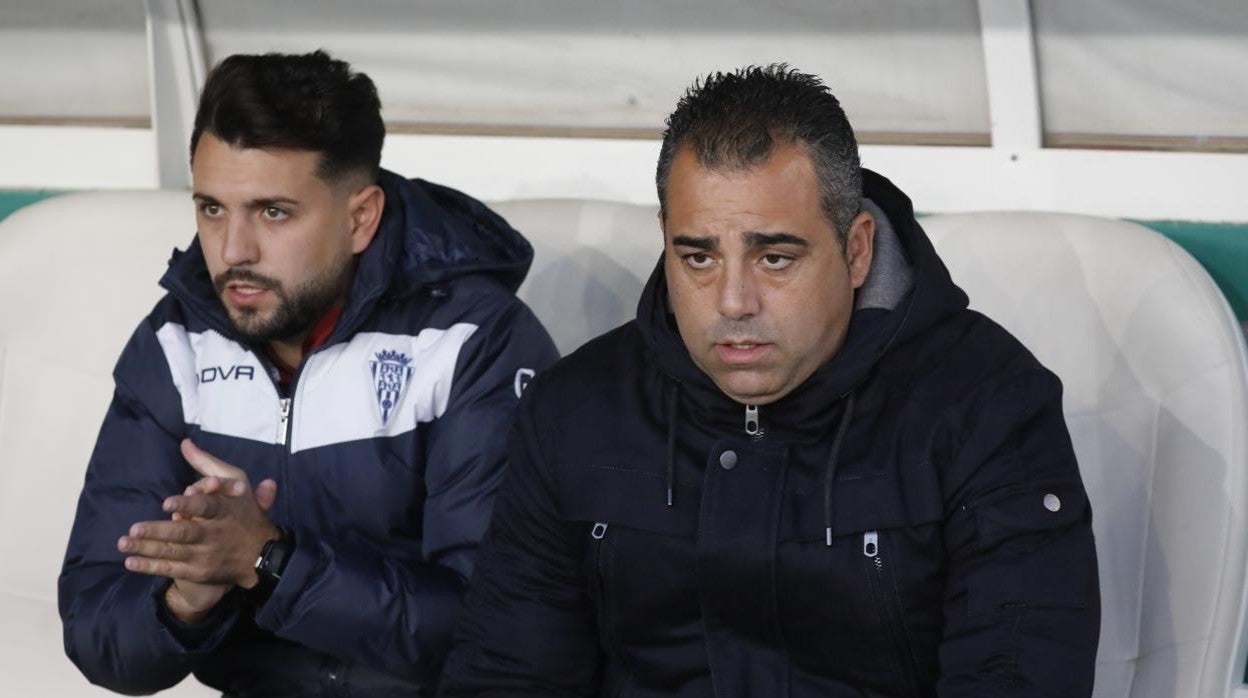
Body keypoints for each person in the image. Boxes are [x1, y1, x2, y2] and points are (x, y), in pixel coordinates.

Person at [439, 65, 1100, 696]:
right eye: (698, 257)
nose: (732, 302)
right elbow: (509, 674)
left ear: (857, 249)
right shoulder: (576, 411)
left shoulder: (987, 407)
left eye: (775, 258)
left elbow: (1017, 676)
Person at [58, 50, 557, 696]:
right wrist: (187, 598)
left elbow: (496, 627)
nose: (232, 251)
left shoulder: (473, 341)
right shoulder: (177, 342)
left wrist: (267, 562)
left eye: (272, 212)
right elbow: (98, 627)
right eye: (212, 209)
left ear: (360, 218)